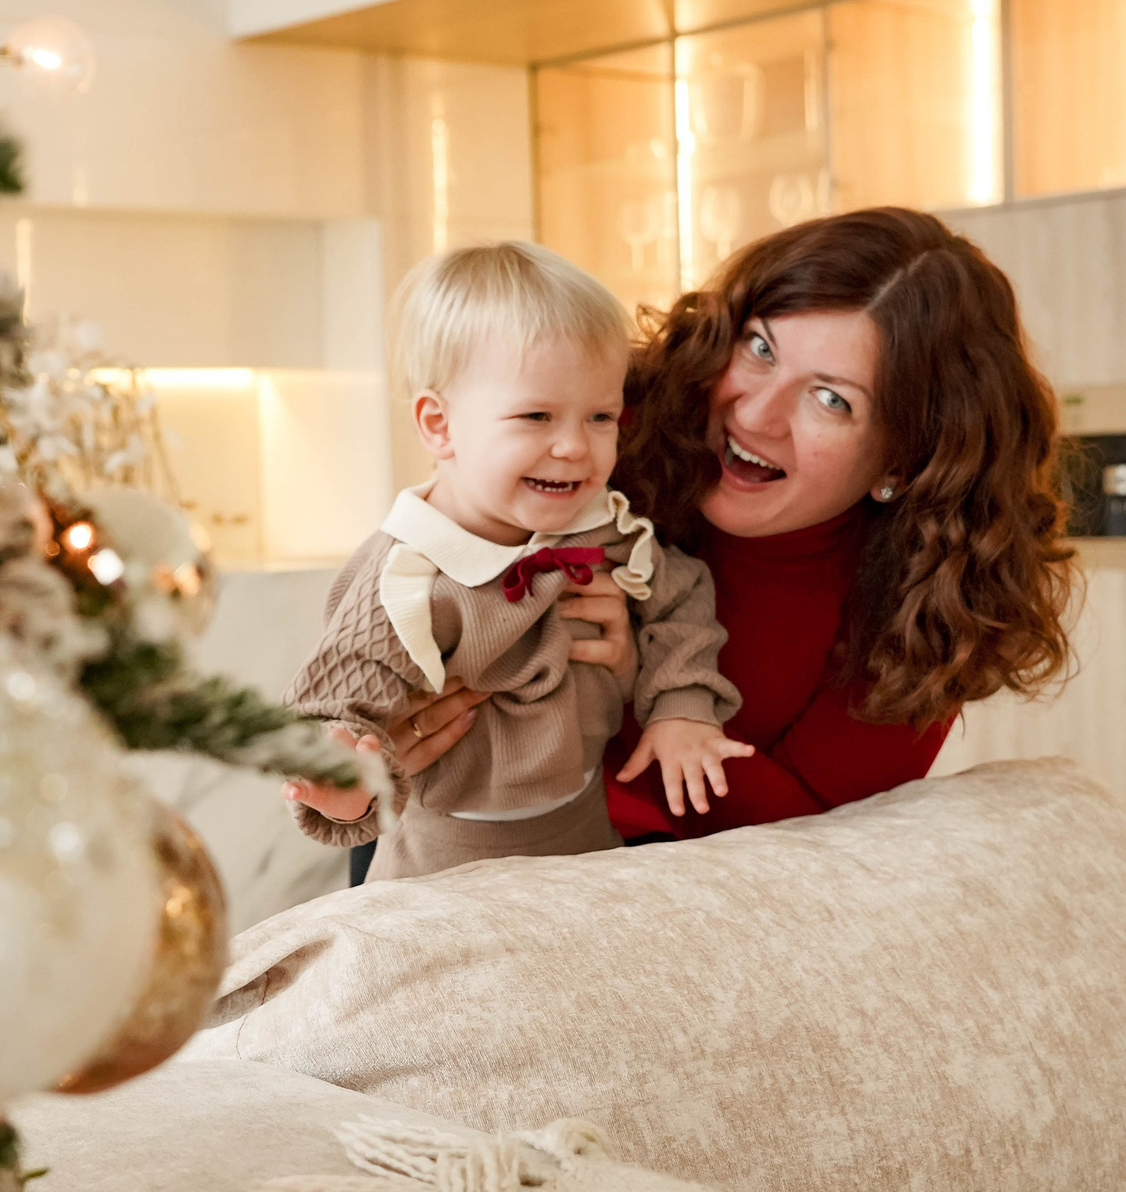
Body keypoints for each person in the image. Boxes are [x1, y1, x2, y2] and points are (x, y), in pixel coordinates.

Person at [369, 207, 1076, 855]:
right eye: (761, 349)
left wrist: (636, 686)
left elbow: (809, 837)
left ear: (906, 457)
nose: (756, 415)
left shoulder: (930, 605)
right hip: (448, 828)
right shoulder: (604, 430)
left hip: (663, 887)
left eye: (832, 399)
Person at [284, 241, 746, 881]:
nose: (573, 447)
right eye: (536, 416)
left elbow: (682, 594)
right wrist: (343, 782)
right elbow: (335, 699)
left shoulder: (603, 527)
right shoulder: (409, 577)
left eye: (600, 416)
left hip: (587, 835)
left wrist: (680, 706)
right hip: (443, 862)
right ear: (439, 425)